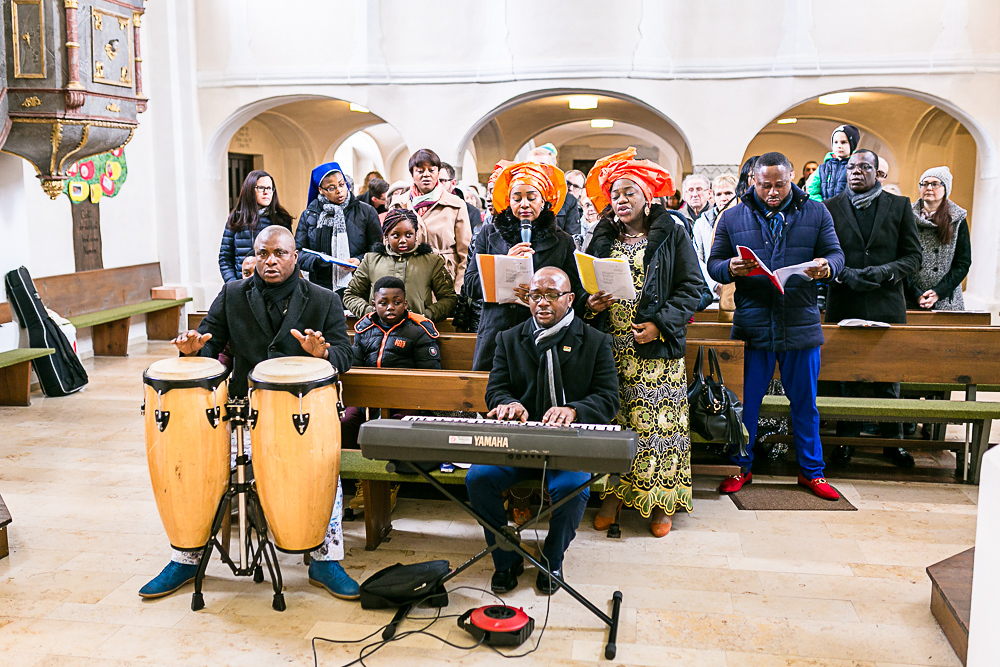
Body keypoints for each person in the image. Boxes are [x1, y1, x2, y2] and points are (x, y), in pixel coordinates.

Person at [139, 226, 359, 600]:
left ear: (295, 256)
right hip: (241, 410)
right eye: (262, 253)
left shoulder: (323, 300)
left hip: (301, 413)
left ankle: (326, 560)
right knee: (196, 468)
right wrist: (192, 350)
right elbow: (207, 342)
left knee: (325, 474)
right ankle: (186, 556)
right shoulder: (233, 294)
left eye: (279, 253)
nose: (270, 261)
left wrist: (323, 353)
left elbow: (345, 355)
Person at [465, 267, 619, 595]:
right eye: (536, 296)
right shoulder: (509, 338)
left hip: (568, 446)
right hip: (518, 442)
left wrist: (574, 410)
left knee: (573, 487)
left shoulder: (595, 341)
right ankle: (506, 559)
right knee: (478, 479)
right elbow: (496, 390)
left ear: (570, 299)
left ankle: (551, 560)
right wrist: (508, 403)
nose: (542, 303)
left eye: (552, 295)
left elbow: (608, 399)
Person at [708, 152, 845, 501]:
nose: (772, 191)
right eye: (765, 185)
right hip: (753, 324)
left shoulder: (816, 212)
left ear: (792, 177)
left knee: (805, 404)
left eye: (780, 184)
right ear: (752, 180)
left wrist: (826, 266)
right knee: (746, 405)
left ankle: (812, 472)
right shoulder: (733, 216)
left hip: (800, 322)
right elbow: (714, 263)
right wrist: (730, 268)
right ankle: (740, 467)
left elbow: (836, 254)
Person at [582, 148, 705, 537]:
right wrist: (590, 304)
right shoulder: (602, 236)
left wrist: (660, 325)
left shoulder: (671, 233)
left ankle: (661, 500)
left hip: (654, 349)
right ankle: (614, 495)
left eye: (629, 192)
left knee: (656, 427)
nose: (621, 200)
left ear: (647, 196)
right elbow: (585, 285)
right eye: (615, 194)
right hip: (610, 348)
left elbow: (694, 288)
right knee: (615, 423)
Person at [824, 149, 922, 467]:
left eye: (864, 166)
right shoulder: (830, 208)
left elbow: (913, 256)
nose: (856, 171)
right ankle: (846, 441)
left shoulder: (899, 205)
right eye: (851, 167)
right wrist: (845, 274)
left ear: (877, 172)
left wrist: (885, 271)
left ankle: (893, 444)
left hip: (886, 302)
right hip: (845, 300)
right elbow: (821, 254)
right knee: (847, 378)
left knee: (888, 378)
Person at [464, 160, 583, 372]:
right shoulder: (489, 233)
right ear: (509, 201)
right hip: (496, 331)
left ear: (543, 201)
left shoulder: (562, 241)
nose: (524, 204)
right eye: (517, 198)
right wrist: (506, 264)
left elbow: (572, 289)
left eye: (531, 197)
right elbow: (471, 285)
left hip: (541, 331)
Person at [340, 276, 442, 448]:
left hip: (407, 397)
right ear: (374, 305)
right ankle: (353, 465)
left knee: (397, 427)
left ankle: (395, 464)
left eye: (397, 302)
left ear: (405, 304)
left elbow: (430, 373)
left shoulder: (418, 330)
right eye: (383, 303)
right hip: (367, 395)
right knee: (346, 422)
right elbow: (354, 366)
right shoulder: (364, 329)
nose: (390, 307)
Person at [343, 209, 457, 322]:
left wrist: (426, 316)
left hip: (417, 328)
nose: (403, 240)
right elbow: (351, 295)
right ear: (386, 236)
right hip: (377, 329)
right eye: (396, 235)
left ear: (416, 234)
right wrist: (370, 313)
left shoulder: (432, 261)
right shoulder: (371, 260)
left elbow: (448, 298)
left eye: (408, 235)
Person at [295, 162, 381, 295]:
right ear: (321, 190)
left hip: (357, 285)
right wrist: (318, 261)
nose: (339, 191)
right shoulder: (309, 215)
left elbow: (377, 248)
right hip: (320, 287)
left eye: (341, 184)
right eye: (331, 188)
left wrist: (359, 260)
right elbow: (298, 253)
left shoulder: (366, 212)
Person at [403, 149, 473, 292]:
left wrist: (458, 290)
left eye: (431, 170)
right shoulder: (400, 204)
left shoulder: (455, 205)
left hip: (444, 280)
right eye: (420, 171)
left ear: (438, 173)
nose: (426, 175)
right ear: (412, 174)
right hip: (408, 280)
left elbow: (465, 254)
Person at [906, 166, 970, 311]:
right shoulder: (907, 215)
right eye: (925, 184)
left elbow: (962, 262)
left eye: (935, 184)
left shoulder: (957, 218)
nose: (929, 188)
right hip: (910, 298)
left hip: (946, 299)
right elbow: (900, 257)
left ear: (945, 189)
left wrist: (938, 292)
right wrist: (915, 293)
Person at [218, 170, 293, 283]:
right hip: (243, 284)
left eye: (269, 188)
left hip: (273, 285)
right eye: (261, 188)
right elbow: (225, 258)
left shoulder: (281, 219)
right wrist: (234, 284)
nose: (266, 192)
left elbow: (288, 257)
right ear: (249, 189)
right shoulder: (236, 218)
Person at [692, 173, 738, 301]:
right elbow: (697, 258)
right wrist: (714, 284)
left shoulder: (744, 219)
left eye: (728, 193)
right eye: (719, 194)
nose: (723, 198)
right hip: (712, 290)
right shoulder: (702, 222)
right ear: (712, 196)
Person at [528, 144, 581, 236]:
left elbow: (572, 236)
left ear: (552, 170)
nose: (536, 169)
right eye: (531, 165)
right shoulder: (517, 198)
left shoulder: (568, 200)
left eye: (542, 165)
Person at [807, 124, 860, 202]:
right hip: (825, 208)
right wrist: (822, 204)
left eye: (843, 142)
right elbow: (813, 190)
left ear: (852, 145)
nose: (839, 146)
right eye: (836, 142)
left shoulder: (857, 167)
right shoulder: (822, 168)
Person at [439, 162, 484, 240]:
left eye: (441, 181)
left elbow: (475, 242)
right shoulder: (423, 207)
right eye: (434, 181)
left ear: (453, 183)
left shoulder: (470, 211)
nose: (437, 185)